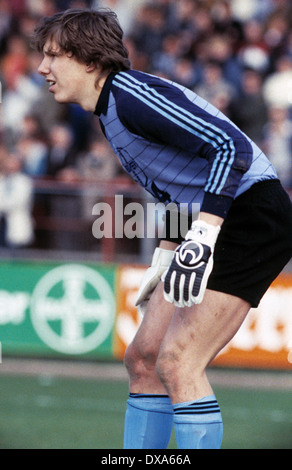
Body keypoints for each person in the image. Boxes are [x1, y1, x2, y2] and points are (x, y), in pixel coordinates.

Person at [32, 8, 292, 449]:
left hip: (251, 216)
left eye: (54, 56)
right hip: (217, 219)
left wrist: (204, 235)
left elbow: (232, 149)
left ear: (90, 61)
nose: (43, 67)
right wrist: (168, 250)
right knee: (145, 359)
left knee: (178, 361)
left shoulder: (129, 95)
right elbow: (178, 187)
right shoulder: (110, 108)